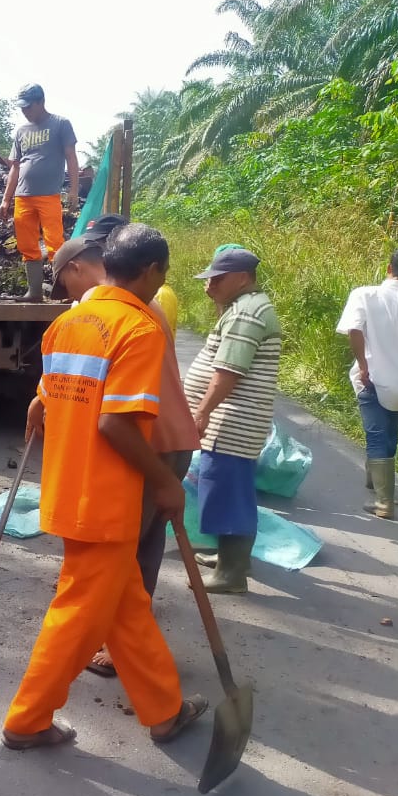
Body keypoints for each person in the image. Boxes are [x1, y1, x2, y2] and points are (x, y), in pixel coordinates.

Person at [3, 230, 208, 750]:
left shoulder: (66, 324)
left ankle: (163, 711)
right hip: (108, 499)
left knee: (126, 605)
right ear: (152, 271)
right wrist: (166, 483)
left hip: (69, 488)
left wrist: (40, 403)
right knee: (78, 615)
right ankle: (27, 720)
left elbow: (49, 400)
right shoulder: (139, 329)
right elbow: (116, 425)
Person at [45, 224, 200, 679]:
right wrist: (44, 395)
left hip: (152, 441)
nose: (64, 293)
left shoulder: (126, 313)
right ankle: (146, 678)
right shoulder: (123, 309)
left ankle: (99, 650)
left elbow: (114, 416)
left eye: (64, 281)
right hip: (154, 439)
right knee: (132, 560)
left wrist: (164, 480)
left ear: (79, 268)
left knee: (122, 558)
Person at [182, 246, 282, 594]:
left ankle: (232, 573)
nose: (209, 286)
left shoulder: (247, 313)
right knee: (226, 490)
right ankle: (230, 558)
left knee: (227, 492)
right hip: (233, 422)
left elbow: (228, 370)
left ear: (241, 279)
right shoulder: (243, 307)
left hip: (232, 422)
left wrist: (202, 411)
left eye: (217, 279)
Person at [0, 84, 80, 302]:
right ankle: (34, 293)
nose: (24, 111)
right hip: (23, 197)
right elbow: (15, 167)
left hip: (49, 195)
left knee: (55, 243)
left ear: (41, 102)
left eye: (28, 106)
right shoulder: (21, 131)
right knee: (27, 245)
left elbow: (71, 157)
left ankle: (64, 292)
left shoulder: (60, 124)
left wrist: (73, 190)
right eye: (22, 107)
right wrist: (6, 199)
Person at [335, 248, 398, 520]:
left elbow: (354, 328)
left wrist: (363, 364)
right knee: (390, 432)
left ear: (389, 268)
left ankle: (384, 502)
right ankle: (375, 481)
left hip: (375, 378)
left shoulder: (365, 294)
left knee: (376, 434)